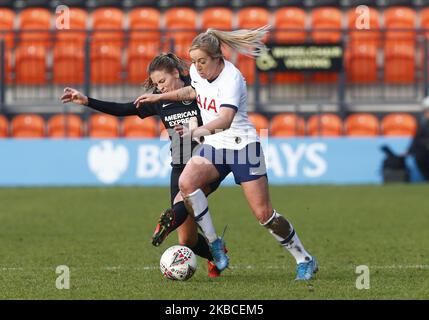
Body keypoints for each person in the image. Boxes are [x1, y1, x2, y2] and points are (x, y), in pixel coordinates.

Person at [134, 27, 318, 280]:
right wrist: (159, 98)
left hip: (243, 147)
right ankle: (215, 244)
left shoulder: (232, 78)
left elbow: (226, 119)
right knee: (186, 183)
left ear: (218, 58)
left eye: (202, 61)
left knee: (264, 214)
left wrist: (195, 131)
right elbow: (191, 92)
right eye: (195, 62)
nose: (197, 68)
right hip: (216, 145)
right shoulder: (199, 74)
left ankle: (304, 258)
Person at [60, 52, 225, 278]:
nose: (160, 88)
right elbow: (124, 110)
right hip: (179, 164)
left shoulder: (197, 86)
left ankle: (167, 221)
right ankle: (216, 254)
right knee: (187, 239)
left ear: (176, 73)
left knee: (186, 198)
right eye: (156, 84)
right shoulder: (159, 100)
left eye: (163, 81)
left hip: (207, 160)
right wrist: (87, 101)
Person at [407, 97, 429, 180]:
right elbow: (417, 138)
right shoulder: (422, 122)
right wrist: (409, 150)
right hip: (423, 152)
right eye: (426, 111)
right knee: (420, 159)